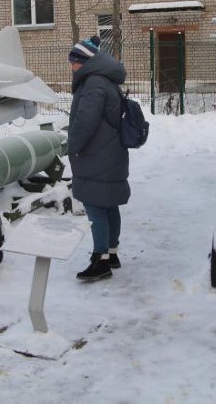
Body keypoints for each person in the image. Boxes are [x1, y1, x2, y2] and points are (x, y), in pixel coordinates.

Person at [67, 36, 131, 281]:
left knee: (94, 205)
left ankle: (100, 260)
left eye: (74, 61)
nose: (72, 66)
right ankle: (111, 253)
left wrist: (73, 146)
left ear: (84, 61)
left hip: (96, 153)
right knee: (108, 203)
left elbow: (85, 121)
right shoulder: (105, 80)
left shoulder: (93, 83)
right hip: (110, 150)